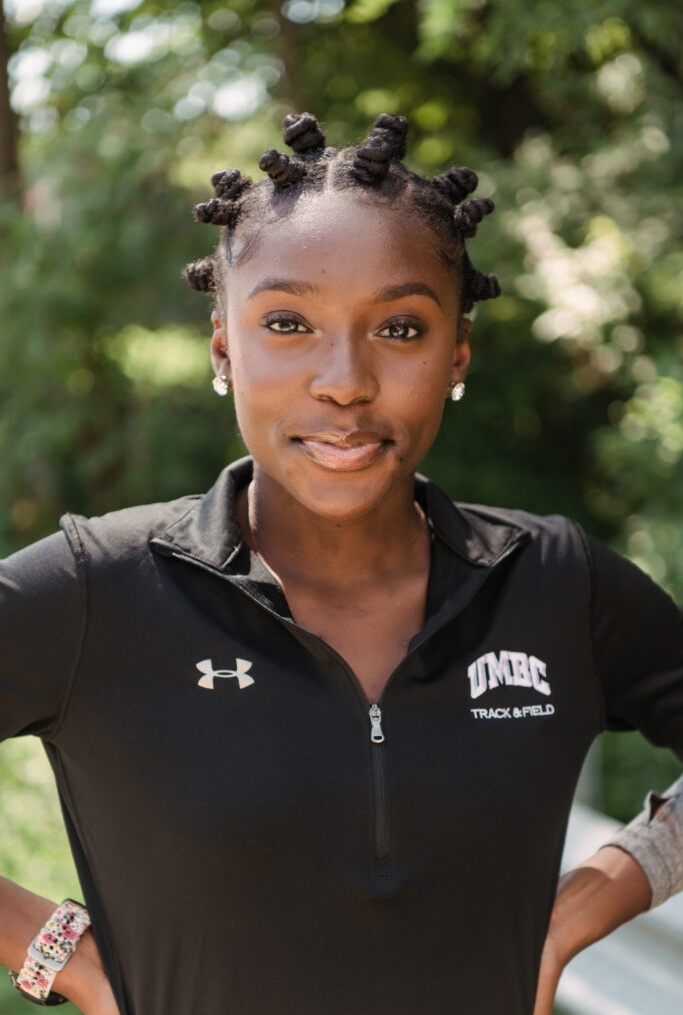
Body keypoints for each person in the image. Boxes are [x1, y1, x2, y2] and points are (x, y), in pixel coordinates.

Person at [0, 111, 681, 1015]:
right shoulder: (99, 590)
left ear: (457, 355)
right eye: (287, 322)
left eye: (399, 329)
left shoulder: (554, 583)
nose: (345, 381)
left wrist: (598, 894)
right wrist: (61, 954)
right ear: (222, 350)